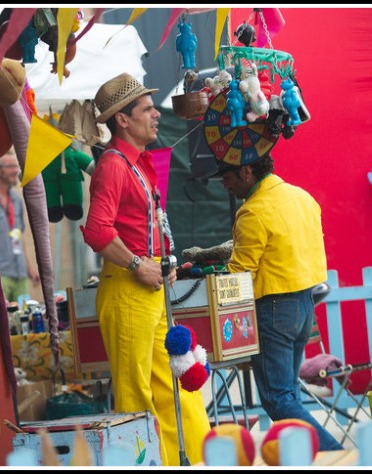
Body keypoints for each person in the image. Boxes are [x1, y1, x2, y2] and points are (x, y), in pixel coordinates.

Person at [80, 72, 211, 466]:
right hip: (125, 290)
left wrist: (161, 263)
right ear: (122, 119)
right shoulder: (114, 165)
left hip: (147, 290)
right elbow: (96, 230)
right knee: (135, 396)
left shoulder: (136, 164)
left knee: (176, 385)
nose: (157, 114)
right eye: (147, 109)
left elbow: (143, 230)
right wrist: (139, 263)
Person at [210, 152, 345, 451]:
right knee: (289, 395)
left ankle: (336, 454)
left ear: (246, 172)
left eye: (227, 176)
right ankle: (318, 458)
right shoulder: (302, 197)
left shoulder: (252, 211)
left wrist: (213, 279)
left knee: (278, 398)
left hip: (273, 310)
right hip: (303, 306)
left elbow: (239, 272)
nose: (224, 184)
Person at [0, 149, 40, 305]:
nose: (16, 170)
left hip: (20, 273)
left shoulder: (16, 199)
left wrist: (29, 269)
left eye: (16, 166)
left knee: (23, 319)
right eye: (10, 167)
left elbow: (18, 236)